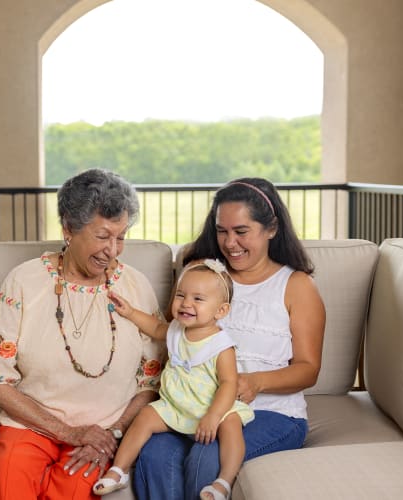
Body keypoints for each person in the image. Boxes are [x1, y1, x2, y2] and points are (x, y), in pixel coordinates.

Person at [0, 168, 166, 500]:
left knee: (75, 490)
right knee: (7, 485)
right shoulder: (25, 281)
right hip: (31, 426)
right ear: (68, 229)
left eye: (121, 236)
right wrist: (67, 432)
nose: (114, 250)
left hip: (103, 431)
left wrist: (113, 432)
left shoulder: (135, 287)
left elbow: (153, 381)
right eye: (103, 236)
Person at [133, 177, 326, 500]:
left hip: (272, 413)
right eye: (222, 231)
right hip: (194, 406)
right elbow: (174, 339)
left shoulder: (296, 285)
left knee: (207, 457)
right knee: (154, 455)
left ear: (272, 228)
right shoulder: (201, 274)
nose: (230, 243)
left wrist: (256, 382)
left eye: (241, 232)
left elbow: (308, 369)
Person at [93, 259, 254, 499]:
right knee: (146, 415)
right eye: (181, 295)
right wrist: (130, 312)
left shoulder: (221, 346)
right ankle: (119, 469)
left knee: (231, 428)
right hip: (176, 407)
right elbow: (156, 328)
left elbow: (229, 384)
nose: (186, 303)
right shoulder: (177, 330)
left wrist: (213, 416)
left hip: (210, 410)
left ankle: (224, 481)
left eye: (198, 299)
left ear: (221, 311)